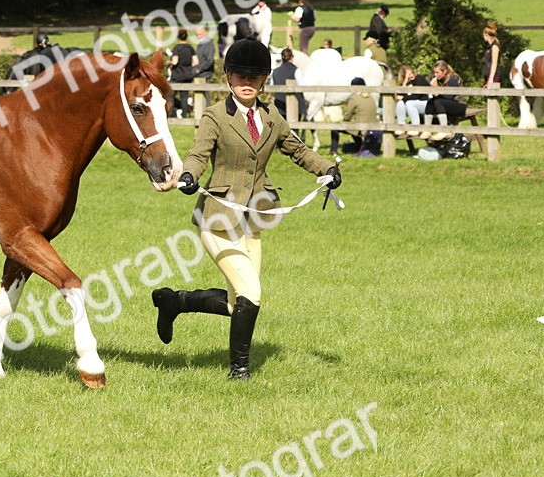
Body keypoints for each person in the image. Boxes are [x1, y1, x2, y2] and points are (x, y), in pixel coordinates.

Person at [152, 38, 341, 381]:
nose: (246, 82)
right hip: (218, 219)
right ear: (228, 77)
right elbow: (198, 153)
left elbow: (297, 150)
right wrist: (190, 174)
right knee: (251, 293)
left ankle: (174, 301)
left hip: (254, 217)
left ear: (264, 79)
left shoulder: (271, 115)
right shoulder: (214, 116)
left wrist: (326, 169)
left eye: (254, 76)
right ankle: (239, 370)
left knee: (234, 302)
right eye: (240, 75)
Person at [424, 59, 465, 141]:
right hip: (446, 104)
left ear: (445, 71)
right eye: (434, 72)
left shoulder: (454, 78)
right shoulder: (438, 80)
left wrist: (437, 90)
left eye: (437, 72)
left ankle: (444, 130)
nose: (435, 75)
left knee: (438, 101)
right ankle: (427, 129)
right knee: (430, 102)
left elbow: (449, 97)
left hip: (460, 105)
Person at [341, 76, 380, 157]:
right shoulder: (370, 97)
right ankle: (359, 146)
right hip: (374, 127)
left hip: (362, 129)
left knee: (335, 129)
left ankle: (333, 151)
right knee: (354, 126)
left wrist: (343, 122)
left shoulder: (354, 98)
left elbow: (348, 115)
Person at [168, 28, 197, 117]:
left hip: (177, 75)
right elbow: (196, 62)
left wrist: (169, 62)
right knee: (184, 96)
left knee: (170, 95)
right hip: (188, 75)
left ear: (178, 37)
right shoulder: (190, 48)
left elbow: (175, 62)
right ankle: (184, 114)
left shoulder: (177, 48)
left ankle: (171, 113)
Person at [395, 65, 430, 135]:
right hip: (413, 106)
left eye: (411, 73)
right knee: (400, 104)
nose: (411, 76)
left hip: (426, 103)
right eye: (408, 75)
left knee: (409, 103)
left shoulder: (419, 79)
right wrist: (405, 82)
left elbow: (416, 95)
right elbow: (400, 94)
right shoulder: (407, 83)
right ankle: (402, 127)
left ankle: (416, 127)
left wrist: (403, 98)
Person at [269, 47, 302, 121]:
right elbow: (303, 86)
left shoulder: (275, 71)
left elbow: (271, 86)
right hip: (295, 106)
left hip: (279, 105)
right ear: (292, 57)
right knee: (294, 129)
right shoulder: (296, 70)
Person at [481, 23, 501, 88]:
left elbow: (494, 63)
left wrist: (491, 78)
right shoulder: (489, 47)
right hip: (488, 75)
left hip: (493, 76)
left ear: (486, 34)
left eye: (483, 35)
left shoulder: (494, 46)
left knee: (491, 96)